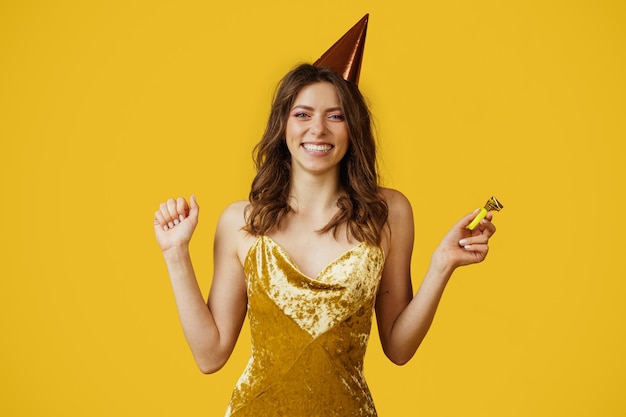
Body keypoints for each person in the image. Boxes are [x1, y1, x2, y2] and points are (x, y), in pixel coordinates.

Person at [153, 16, 496, 417]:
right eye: (302, 114)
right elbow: (210, 356)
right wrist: (176, 253)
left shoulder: (389, 214)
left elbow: (399, 349)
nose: (318, 129)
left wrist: (441, 266)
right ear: (283, 126)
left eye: (335, 116)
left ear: (353, 129)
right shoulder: (240, 222)